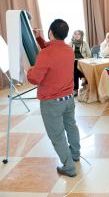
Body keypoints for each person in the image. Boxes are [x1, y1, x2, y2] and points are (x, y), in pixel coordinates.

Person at [27, 19, 80, 177]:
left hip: (52, 102)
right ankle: (75, 155)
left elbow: (35, 78)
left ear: (51, 32)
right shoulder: (69, 49)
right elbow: (51, 50)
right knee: (71, 126)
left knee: (57, 135)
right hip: (69, 99)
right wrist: (39, 39)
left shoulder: (46, 54)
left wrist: (28, 71)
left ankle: (68, 167)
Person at [69, 30, 91, 96]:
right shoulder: (70, 43)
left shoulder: (85, 43)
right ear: (73, 35)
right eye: (75, 34)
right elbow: (68, 54)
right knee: (74, 65)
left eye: (78, 34)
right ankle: (82, 78)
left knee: (75, 67)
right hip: (74, 61)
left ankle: (75, 89)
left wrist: (83, 59)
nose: (77, 35)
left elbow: (89, 54)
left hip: (83, 61)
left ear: (81, 35)